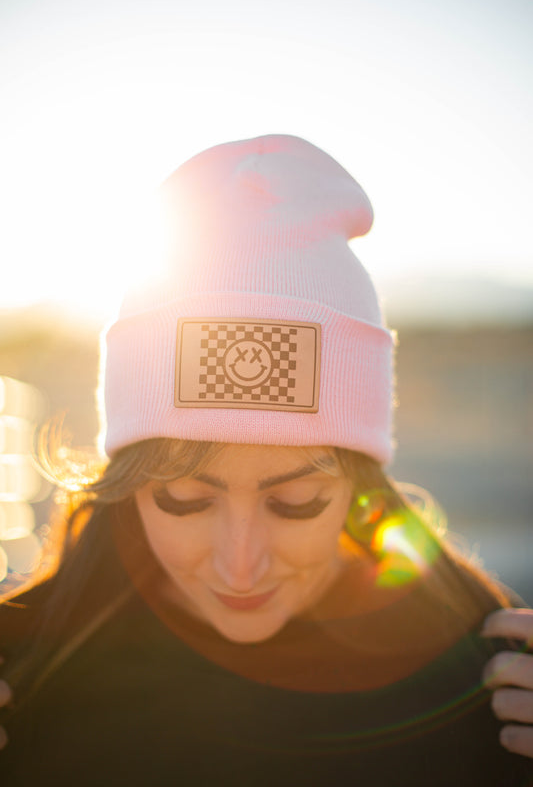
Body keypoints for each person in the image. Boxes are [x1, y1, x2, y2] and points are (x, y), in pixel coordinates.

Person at [0, 135, 532, 786]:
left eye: (295, 503)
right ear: (126, 484)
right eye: (184, 500)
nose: (240, 565)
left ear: (361, 490)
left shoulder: (493, 689)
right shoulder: (19, 675)